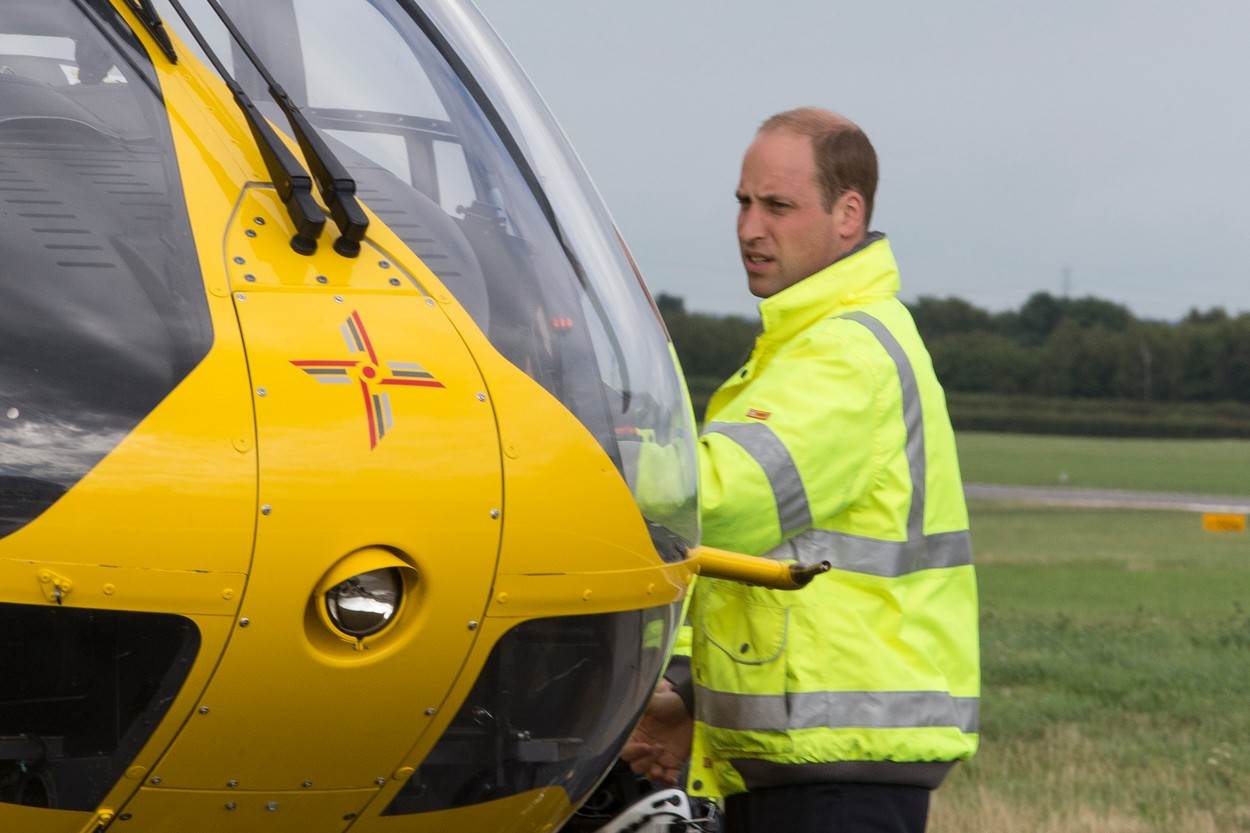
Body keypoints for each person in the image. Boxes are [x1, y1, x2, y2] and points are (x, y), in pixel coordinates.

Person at [622, 108, 980, 833]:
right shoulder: (798, 347)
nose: (750, 228)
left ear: (848, 215)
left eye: (777, 206)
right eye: (743, 202)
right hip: (802, 773)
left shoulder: (846, 355)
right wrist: (687, 692)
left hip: (837, 785)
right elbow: (740, 561)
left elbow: (717, 502)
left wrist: (593, 448)